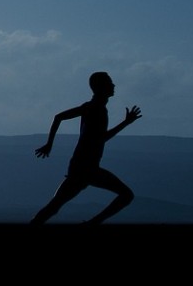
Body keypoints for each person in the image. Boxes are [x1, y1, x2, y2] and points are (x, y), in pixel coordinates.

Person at [30, 71, 142, 225]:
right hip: (86, 168)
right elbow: (101, 138)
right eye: (110, 82)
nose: (113, 85)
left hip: (81, 167)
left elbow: (59, 117)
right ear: (101, 87)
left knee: (54, 206)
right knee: (126, 195)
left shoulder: (92, 107)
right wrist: (125, 123)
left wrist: (50, 144)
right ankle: (93, 223)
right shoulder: (96, 109)